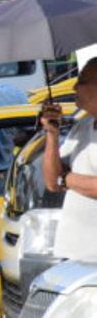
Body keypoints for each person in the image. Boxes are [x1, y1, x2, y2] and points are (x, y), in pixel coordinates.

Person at [42, 58, 97, 262]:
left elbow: (60, 180)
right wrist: (52, 134)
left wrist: (67, 179)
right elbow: (51, 182)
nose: (74, 86)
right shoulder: (82, 125)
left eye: (82, 81)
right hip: (71, 254)